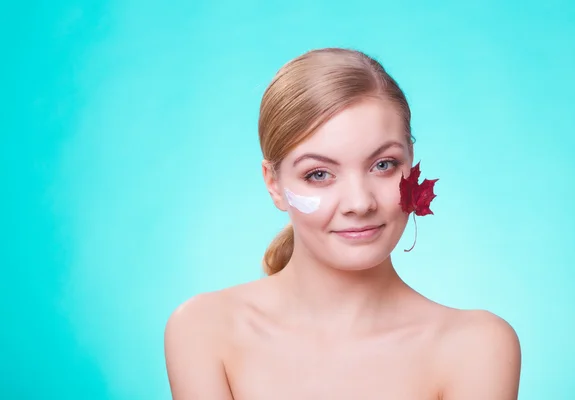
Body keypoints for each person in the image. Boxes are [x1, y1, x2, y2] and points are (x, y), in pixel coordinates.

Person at [164, 47, 521, 399]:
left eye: (383, 165)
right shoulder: (204, 329)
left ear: (410, 163)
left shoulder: (476, 347)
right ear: (274, 184)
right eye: (318, 174)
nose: (359, 203)